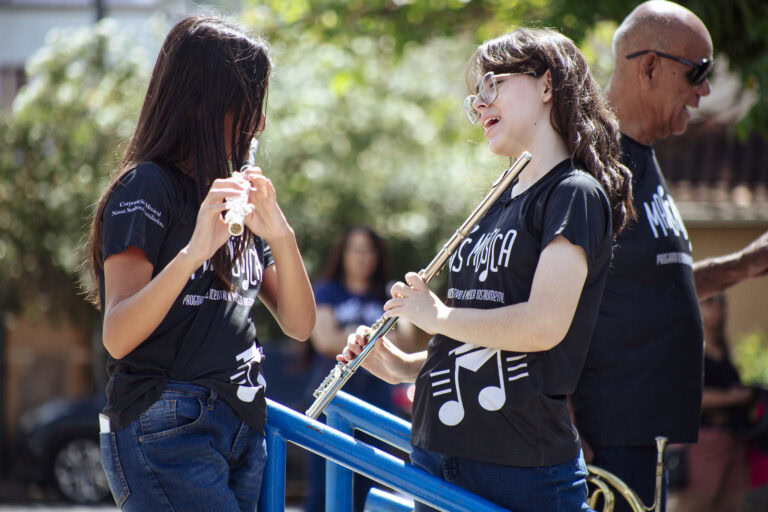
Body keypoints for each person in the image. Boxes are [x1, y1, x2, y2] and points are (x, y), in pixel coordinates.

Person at [339, 27, 634, 512]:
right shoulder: (497, 201)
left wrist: (435, 317)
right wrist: (407, 367)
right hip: (438, 454)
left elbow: (542, 327)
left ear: (545, 85)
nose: (479, 103)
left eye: (492, 84)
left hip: (518, 470)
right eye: (475, 93)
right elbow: (483, 340)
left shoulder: (574, 193)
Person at [85, 16, 316, 512]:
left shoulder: (236, 199)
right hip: (168, 424)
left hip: (241, 426)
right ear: (204, 103)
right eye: (249, 106)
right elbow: (119, 333)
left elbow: (299, 325)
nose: (259, 125)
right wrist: (194, 251)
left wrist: (280, 232)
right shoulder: (146, 185)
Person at [570, 2, 768, 510]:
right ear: (650, 66)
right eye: (697, 72)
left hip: (646, 438)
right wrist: (572, 443)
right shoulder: (589, 165)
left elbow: (648, 286)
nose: (704, 90)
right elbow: (553, 303)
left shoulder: (644, 158)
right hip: (601, 445)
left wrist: (742, 265)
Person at [303, 226, 415, 512]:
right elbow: (324, 340)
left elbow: (405, 338)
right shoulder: (327, 290)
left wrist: (354, 336)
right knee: (324, 490)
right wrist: (373, 336)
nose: (362, 257)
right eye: (355, 249)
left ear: (377, 256)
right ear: (343, 254)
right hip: (334, 397)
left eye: (368, 250)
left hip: (378, 398)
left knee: (371, 488)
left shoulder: (389, 290)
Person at [673, 294, 753, 512]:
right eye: (710, 301)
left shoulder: (723, 348)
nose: (717, 308)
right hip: (702, 442)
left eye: (722, 303)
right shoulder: (688, 347)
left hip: (732, 440)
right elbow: (687, 398)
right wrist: (735, 397)